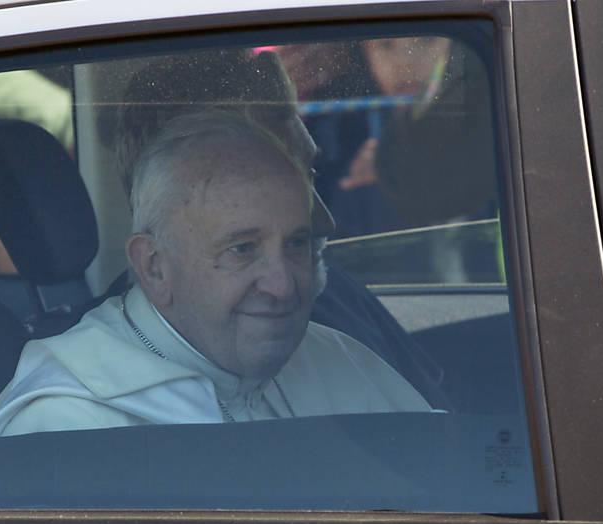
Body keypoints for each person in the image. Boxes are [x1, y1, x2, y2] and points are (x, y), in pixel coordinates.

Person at [0, 112, 429, 436]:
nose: (284, 285)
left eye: (296, 243)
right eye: (242, 249)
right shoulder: (69, 427)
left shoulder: (336, 357)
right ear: (155, 267)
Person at [107, 48, 449, 409]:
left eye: (308, 176)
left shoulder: (336, 298)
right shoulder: (87, 408)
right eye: (242, 245)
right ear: (153, 264)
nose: (323, 222)